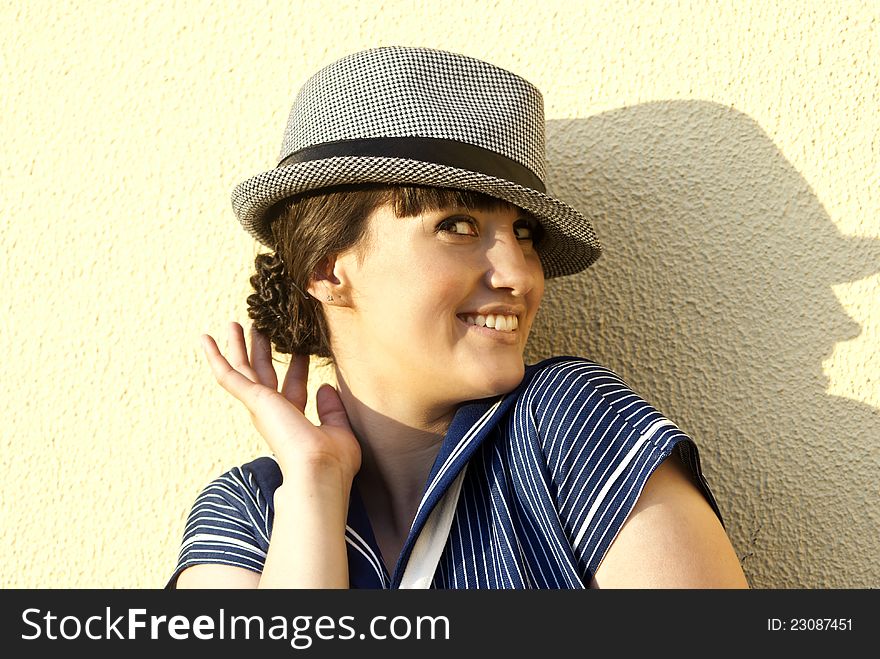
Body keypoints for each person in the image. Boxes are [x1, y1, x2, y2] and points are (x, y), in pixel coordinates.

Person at [168, 46, 748, 589]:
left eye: (523, 234)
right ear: (326, 268)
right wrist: (314, 488)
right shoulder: (249, 514)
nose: (519, 275)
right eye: (458, 227)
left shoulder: (565, 428)